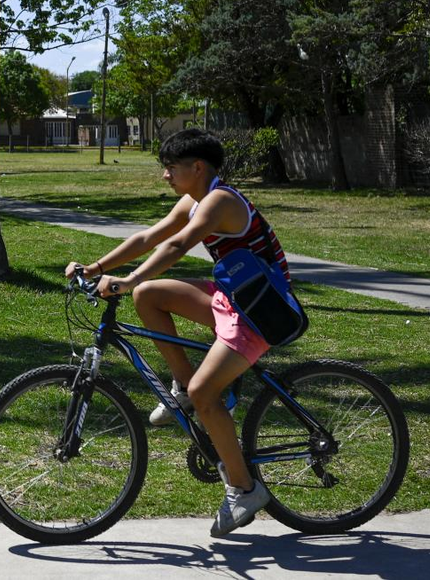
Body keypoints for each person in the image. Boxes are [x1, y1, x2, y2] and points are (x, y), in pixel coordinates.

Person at [65, 128, 293, 537]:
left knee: (208, 393)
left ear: (198, 167)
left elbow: (177, 246)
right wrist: (95, 268)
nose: (165, 175)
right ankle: (185, 389)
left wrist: (127, 280)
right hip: (233, 297)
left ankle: (244, 489)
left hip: (260, 311)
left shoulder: (220, 201)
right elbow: (149, 237)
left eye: (171, 168)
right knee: (149, 296)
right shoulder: (197, 198)